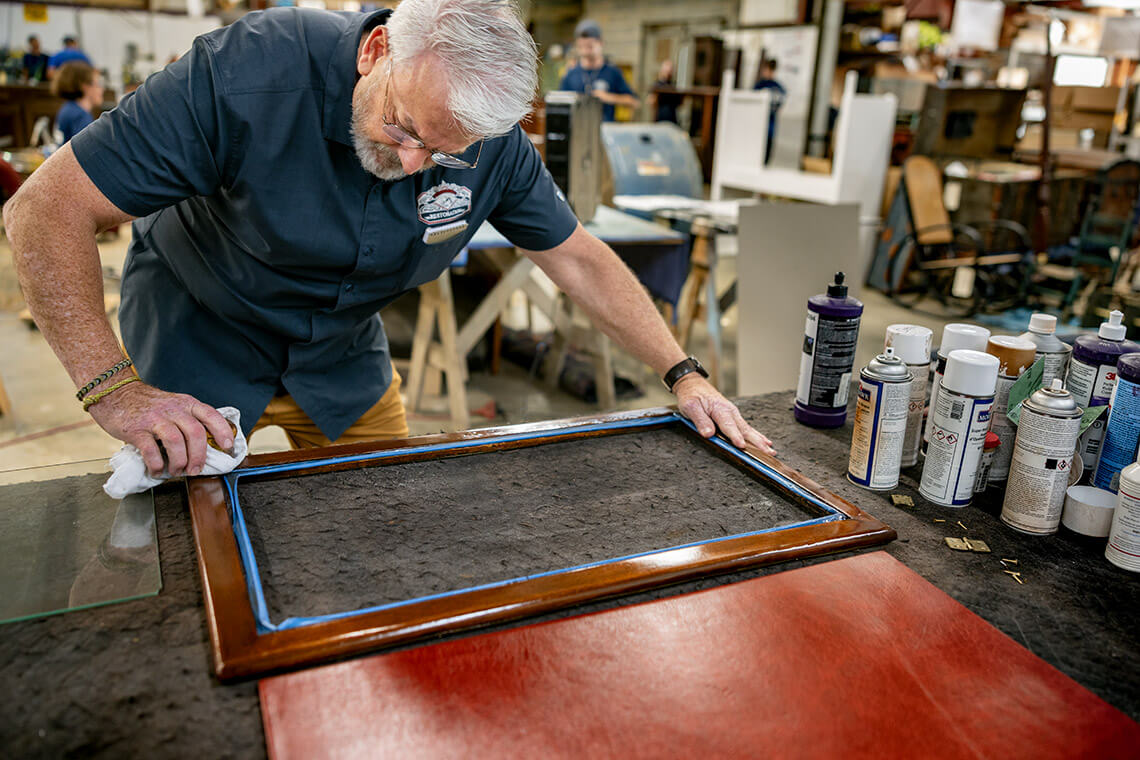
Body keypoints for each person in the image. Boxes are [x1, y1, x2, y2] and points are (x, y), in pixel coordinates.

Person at [5, 1, 773, 480]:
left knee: (387, 515)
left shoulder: (488, 142)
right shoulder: (247, 72)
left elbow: (575, 255)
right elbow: (43, 210)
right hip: (196, 342)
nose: (412, 164)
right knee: (183, 564)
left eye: (442, 154)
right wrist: (115, 389)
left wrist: (684, 373)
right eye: (403, 127)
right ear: (375, 52)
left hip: (339, 361)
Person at [559, 19, 638, 122]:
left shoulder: (612, 72)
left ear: (600, 43)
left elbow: (634, 102)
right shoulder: (571, 74)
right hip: (578, 131)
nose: (586, 47)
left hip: (605, 131)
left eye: (590, 45)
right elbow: (560, 104)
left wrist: (608, 97)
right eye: (582, 44)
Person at [51, 61, 104, 143]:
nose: (102, 89)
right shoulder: (81, 116)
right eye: (97, 84)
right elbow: (86, 151)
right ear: (85, 87)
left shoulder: (68, 108)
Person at [752, 59, 786, 164]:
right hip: (757, 126)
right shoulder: (759, 85)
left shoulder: (777, 87)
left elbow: (779, 105)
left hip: (769, 128)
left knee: (766, 157)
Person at [648, 60, 683, 125]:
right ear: (662, 70)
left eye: (670, 70)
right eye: (666, 70)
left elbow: (680, 103)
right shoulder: (656, 85)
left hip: (672, 119)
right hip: (660, 118)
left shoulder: (673, 85)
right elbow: (651, 101)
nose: (668, 72)